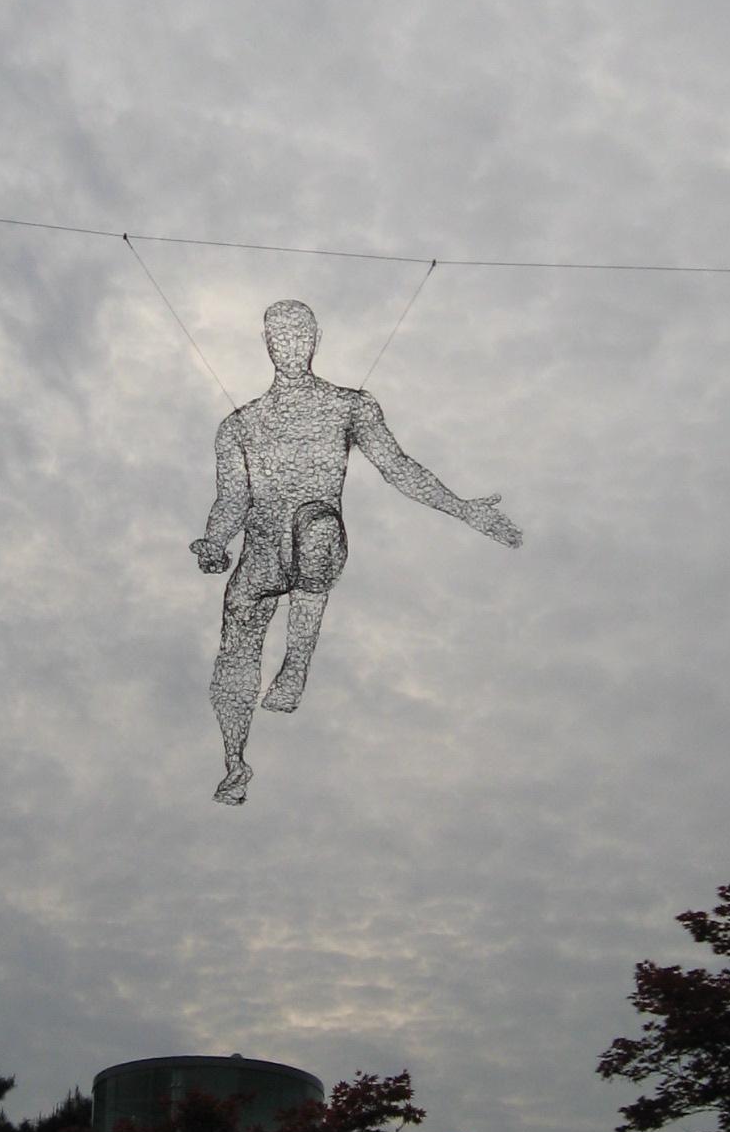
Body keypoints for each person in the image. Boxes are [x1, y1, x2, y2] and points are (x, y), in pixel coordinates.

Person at [191, 300, 521, 805]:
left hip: (316, 542)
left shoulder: (349, 406)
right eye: (281, 337)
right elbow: (232, 501)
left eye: (299, 336)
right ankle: (235, 761)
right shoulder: (238, 426)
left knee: (316, 530)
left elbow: (398, 467)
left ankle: (296, 663)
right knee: (237, 643)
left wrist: (462, 509)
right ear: (267, 344)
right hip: (261, 553)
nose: (291, 346)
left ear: (315, 340)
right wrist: (214, 544)